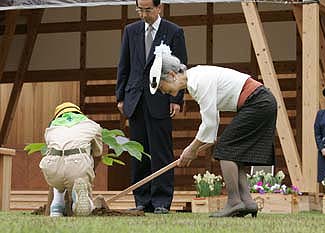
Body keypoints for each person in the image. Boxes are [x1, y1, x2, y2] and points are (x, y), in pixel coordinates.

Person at [152, 54, 277, 218]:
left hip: (258, 102)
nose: (163, 91)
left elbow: (209, 124)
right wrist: (196, 148)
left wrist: (191, 148)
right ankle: (247, 202)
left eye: (162, 87)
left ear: (171, 75)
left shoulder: (198, 81)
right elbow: (213, 121)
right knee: (232, 152)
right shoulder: (196, 79)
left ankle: (234, 201)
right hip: (261, 102)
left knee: (226, 149)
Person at [116, 0, 187, 214]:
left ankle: (161, 202)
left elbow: (181, 66)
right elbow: (124, 64)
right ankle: (142, 199)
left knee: (161, 151)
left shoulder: (173, 31)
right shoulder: (131, 31)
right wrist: (120, 96)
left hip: (162, 99)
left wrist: (176, 99)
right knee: (138, 151)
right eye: (140, 10)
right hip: (135, 98)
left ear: (159, 8)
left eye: (148, 10)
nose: (143, 14)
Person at [39, 102, 103, 217]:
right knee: (88, 155)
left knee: (57, 159)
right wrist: (89, 176)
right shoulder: (92, 125)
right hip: (77, 167)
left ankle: (57, 205)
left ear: (57, 115)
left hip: (51, 170)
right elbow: (98, 155)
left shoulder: (51, 128)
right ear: (79, 113)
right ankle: (85, 201)